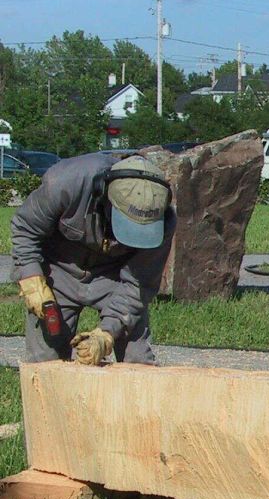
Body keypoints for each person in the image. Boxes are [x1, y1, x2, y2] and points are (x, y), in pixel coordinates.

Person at [11, 152, 176, 366]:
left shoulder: (164, 223)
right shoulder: (66, 182)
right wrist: (31, 277)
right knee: (45, 364)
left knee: (138, 362)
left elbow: (139, 285)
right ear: (104, 197)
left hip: (116, 279)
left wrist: (106, 333)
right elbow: (25, 229)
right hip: (58, 272)